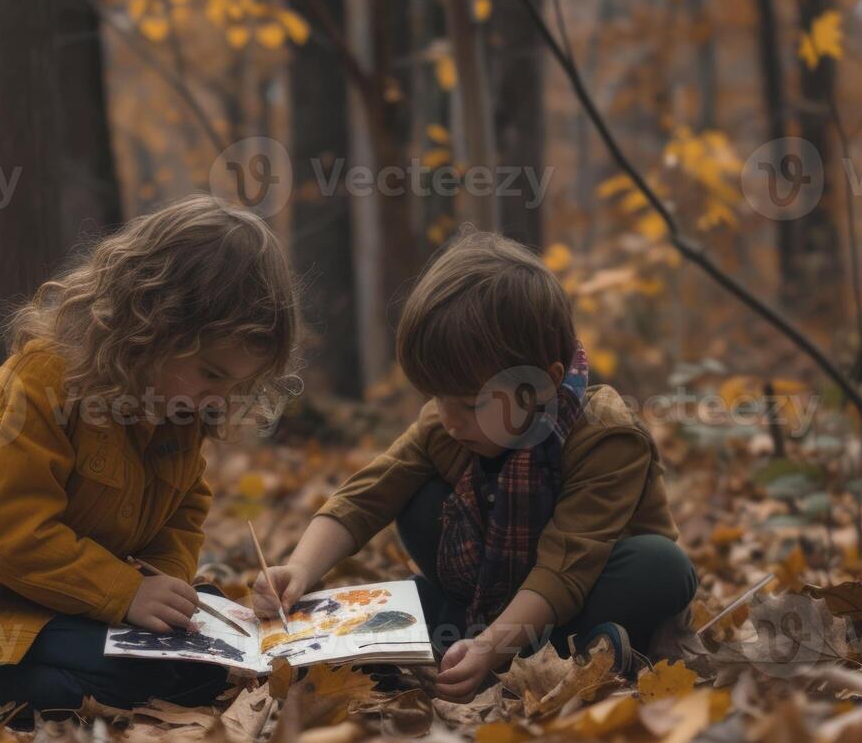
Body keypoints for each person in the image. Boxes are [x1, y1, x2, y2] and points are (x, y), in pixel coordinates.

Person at [0, 195, 300, 718]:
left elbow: (181, 514)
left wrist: (164, 590)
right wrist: (126, 593)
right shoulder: (39, 385)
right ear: (153, 327)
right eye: (212, 375)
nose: (219, 399)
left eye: (237, 386)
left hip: (75, 605)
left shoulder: (178, 408)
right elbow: (16, 542)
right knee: (115, 678)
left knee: (192, 670)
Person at [254, 231, 697, 702]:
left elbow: (567, 566)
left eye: (468, 403)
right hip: (482, 597)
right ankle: (465, 641)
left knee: (660, 566)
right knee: (415, 501)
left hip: (582, 594)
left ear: (541, 385)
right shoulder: (446, 425)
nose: (447, 418)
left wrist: (491, 646)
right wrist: (300, 569)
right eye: (436, 397)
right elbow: (366, 496)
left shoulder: (605, 436)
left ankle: (576, 650)